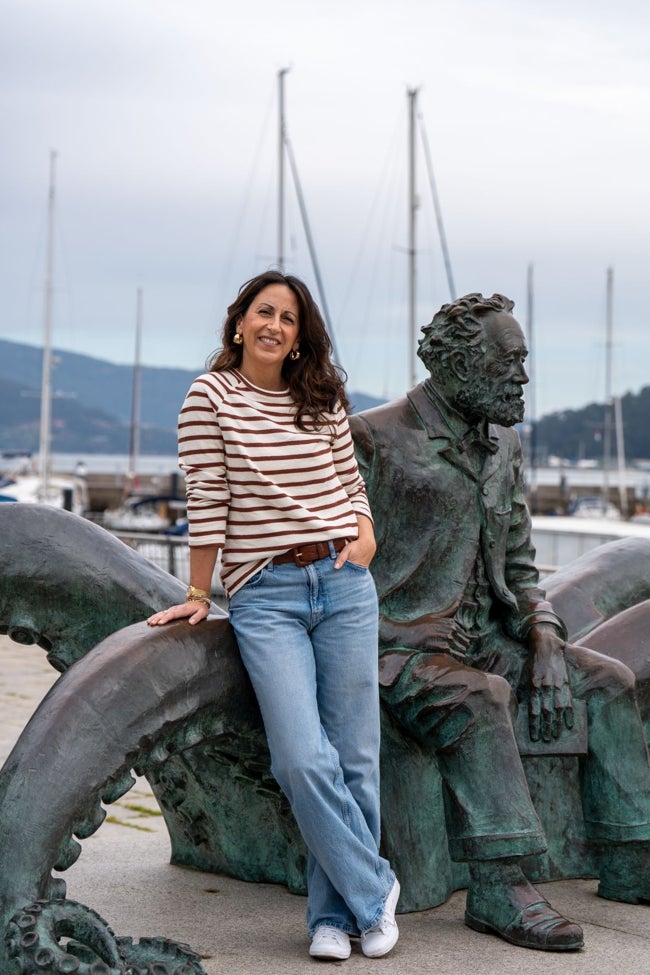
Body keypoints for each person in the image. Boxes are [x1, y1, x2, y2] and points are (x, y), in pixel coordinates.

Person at [349, 292, 650, 952]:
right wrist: (398, 635)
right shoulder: (374, 438)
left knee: (608, 680)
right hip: (392, 653)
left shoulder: (504, 443)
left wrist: (544, 636)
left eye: (524, 361)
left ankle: (632, 861)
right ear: (456, 366)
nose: (523, 377)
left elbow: (518, 568)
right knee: (480, 698)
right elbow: (332, 573)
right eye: (509, 363)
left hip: (487, 639)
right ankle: (499, 884)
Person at [147, 270, 399, 961]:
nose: (275, 326)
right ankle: (374, 888)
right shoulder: (211, 397)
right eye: (265, 312)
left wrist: (365, 531)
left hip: (345, 583)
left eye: (289, 318)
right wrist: (200, 595)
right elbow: (208, 498)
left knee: (354, 759)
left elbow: (351, 483)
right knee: (300, 757)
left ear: (298, 336)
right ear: (238, 323)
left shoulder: (320, 395)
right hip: (266, 594)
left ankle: (332, 919)